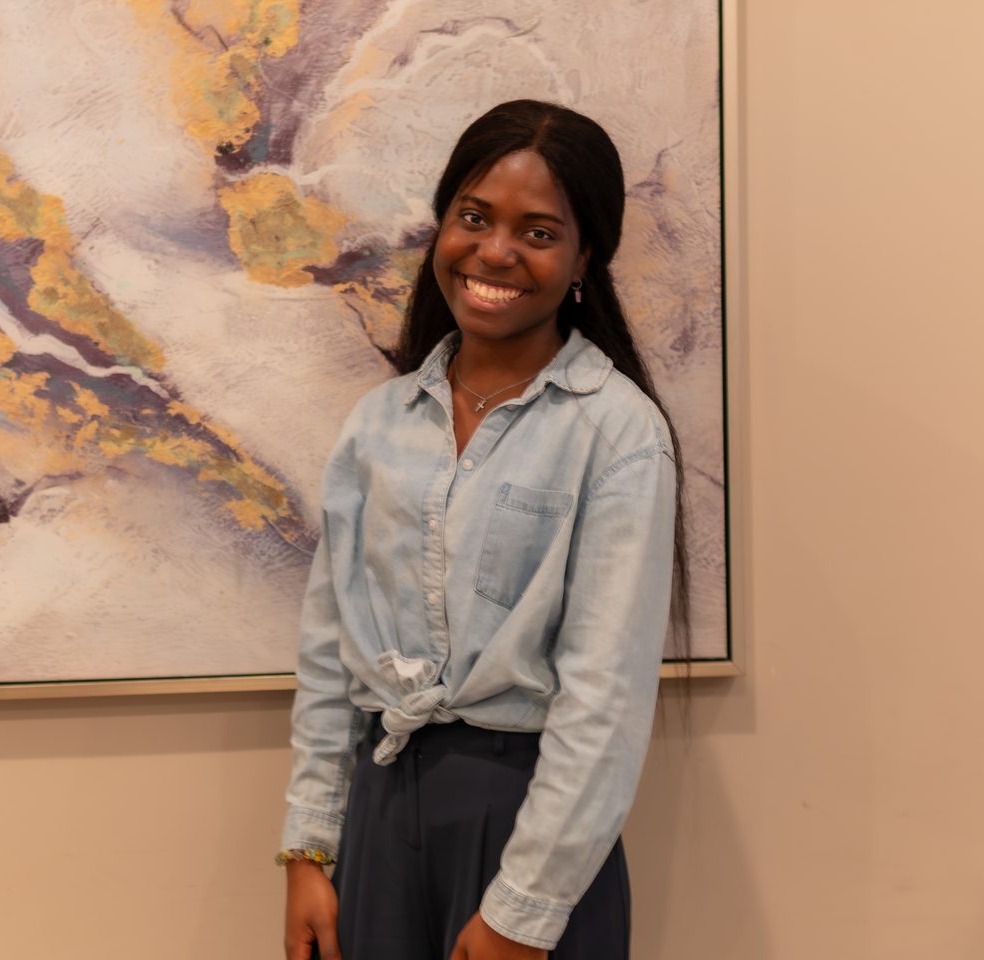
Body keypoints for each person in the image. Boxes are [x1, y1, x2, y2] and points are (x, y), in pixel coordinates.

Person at [280, 99, 690, 960]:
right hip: (380, 822)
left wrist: (524, 912)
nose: (495, 251)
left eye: (539, 232)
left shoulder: (616, 434)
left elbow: (604, 700)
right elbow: (328, 652)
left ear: (586, 258)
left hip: (530, 829)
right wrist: (310, 848)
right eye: (474, 217)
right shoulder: (377, 425)